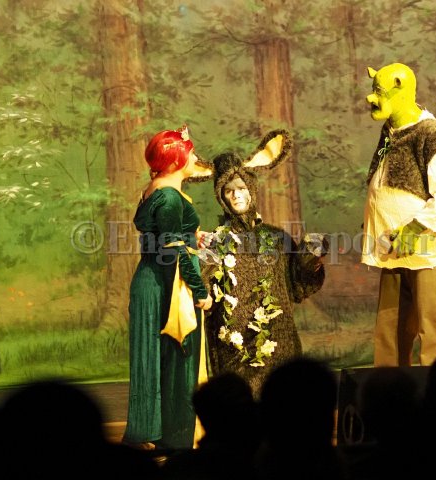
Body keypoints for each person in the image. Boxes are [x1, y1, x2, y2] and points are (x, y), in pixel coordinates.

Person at [362, 62, 436, 367]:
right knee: (389, 338)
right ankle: (389, 393)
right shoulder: (393, 132)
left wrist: (413, 229)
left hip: (430, 255)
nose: (371, 98)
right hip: (395, 252)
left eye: (379, 91)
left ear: (400, 88)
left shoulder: (430, 135)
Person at [200, 130, 326, 395]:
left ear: (252, 190)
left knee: (284, 400)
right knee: (240, 406)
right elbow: (203, 291)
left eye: (241, 188)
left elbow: (297, 286)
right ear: (221, 197)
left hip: (279, 341)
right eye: (228, 191)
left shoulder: (277, 238)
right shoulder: (216, 243)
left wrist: (309, 260)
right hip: (235, 351)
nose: (236, 195)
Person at [123, 126, 214, 450]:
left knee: (154, 359)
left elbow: (164, 237)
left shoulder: (155, 190)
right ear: (176, 162)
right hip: (167, 284)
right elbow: (173, 250)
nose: (195, 157)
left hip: (153, 279)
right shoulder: (170, 197)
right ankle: (173, 438)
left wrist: (192, 237)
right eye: (190, 153)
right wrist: (200, 292)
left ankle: (151, 433)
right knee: (176, 359)